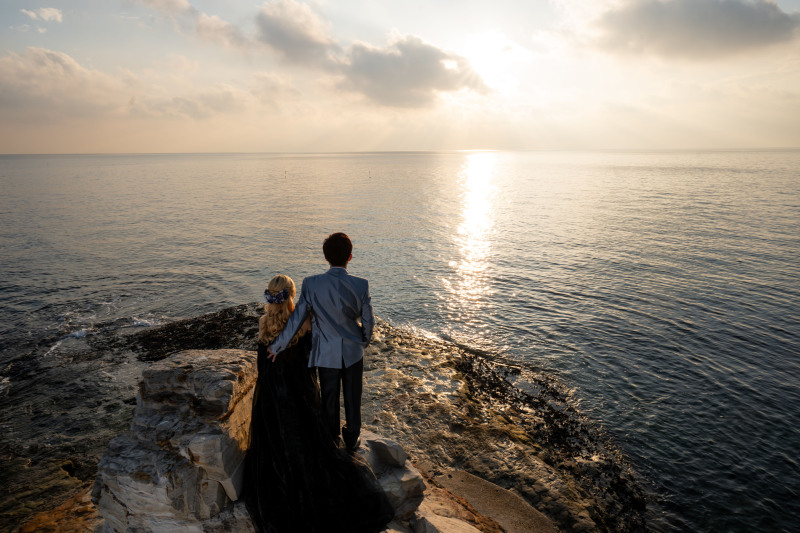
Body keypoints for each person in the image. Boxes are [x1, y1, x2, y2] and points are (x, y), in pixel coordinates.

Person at [243, 274, 393, 533]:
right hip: (300, 397)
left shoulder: (263, 324)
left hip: (272, 404)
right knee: (319, 455)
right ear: (292, 296)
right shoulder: (304, 323)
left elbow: (265, 369)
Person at [267, 233, 373, 452]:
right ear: (350, 257)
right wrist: (364, 341)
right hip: (353, 352)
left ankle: (332, 438)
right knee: (353, 397)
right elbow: (368, 320)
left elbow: (297, 319)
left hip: (326, 353)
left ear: (326, 258)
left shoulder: (312, 284)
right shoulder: (361, 285)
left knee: (329, 397)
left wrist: (278, 346)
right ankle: (352, 438)